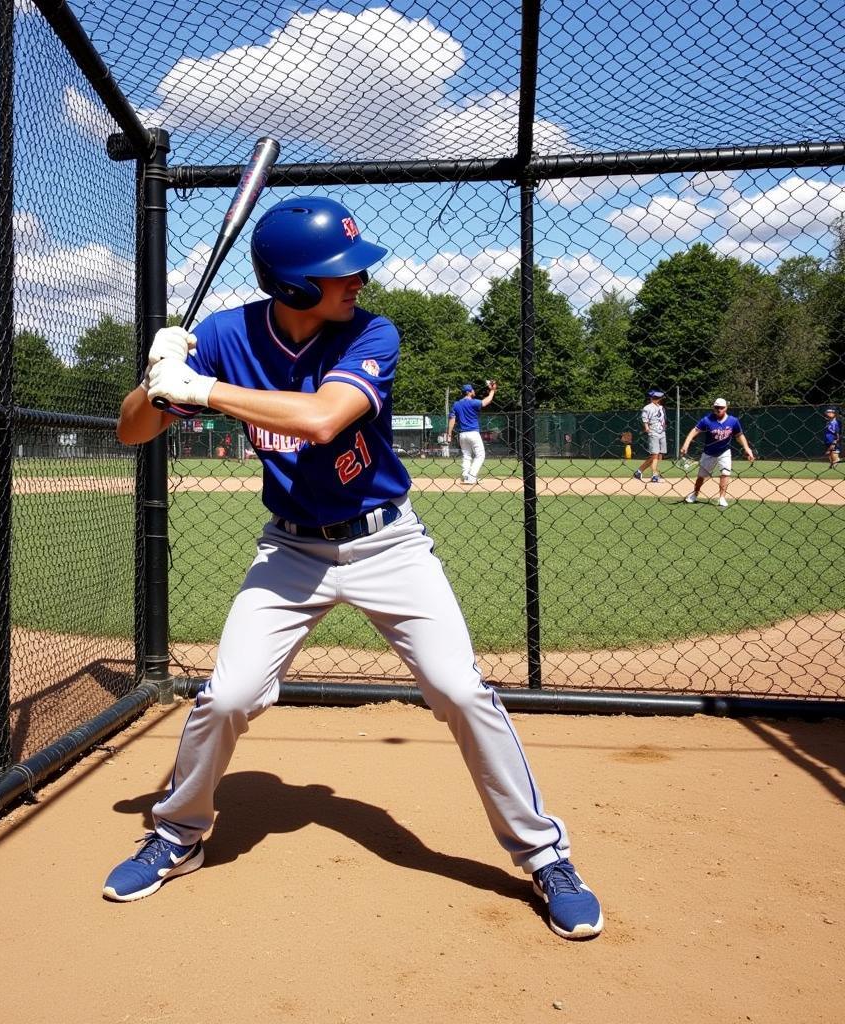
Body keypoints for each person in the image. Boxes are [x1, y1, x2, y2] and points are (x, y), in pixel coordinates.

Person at [103, 196, 603, 940]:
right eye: (339, 272)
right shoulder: (224, 336)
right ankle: (178, 835)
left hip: (388, 545)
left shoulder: (373, 333)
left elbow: (321, 419)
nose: (358, 279)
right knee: (228, 692)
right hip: (292, 549)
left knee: (461, 691)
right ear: (295, 285)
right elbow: (130, 430)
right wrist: (157, 377)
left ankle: (543, 854)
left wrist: (201, 390)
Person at [679, 397, 755, 507]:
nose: (719, 409)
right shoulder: (707, 420)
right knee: (701, 476)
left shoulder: (733, 421)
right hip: (709, 453)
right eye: (716, 407)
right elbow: (694, 431)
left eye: (721, 408)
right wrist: (686, 444)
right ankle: (695, 494)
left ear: (726, 408)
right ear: (713, 408)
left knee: (725, 473)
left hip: (724, 452)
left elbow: (739, 435)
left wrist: (747, 448)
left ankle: (722, 498)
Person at [446, 380, 497, 484]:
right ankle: (472, 476)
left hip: (462, 434)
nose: (474, 391)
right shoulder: (473, 402)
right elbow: (486, 402)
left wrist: (449, 434)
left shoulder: (456, 404)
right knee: (480, 455)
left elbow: (452, 419)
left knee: (466, 455)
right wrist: (492, 391)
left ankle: (465, 476)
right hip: (473, 433)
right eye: (472, 390)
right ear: (469, 392)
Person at [633, 389, 666, 483]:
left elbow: (663, 419)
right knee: (655, 455)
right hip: (654, 432)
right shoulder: (647, 407)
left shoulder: (661, 407)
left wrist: (664, 426)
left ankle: (639, 472)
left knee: (659, 455)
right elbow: (644, 418)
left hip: (662, 432)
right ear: (652, 398)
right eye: (655, 397)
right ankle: (655, 476)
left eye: (658, 398)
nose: (657, 399)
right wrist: (647, 427)